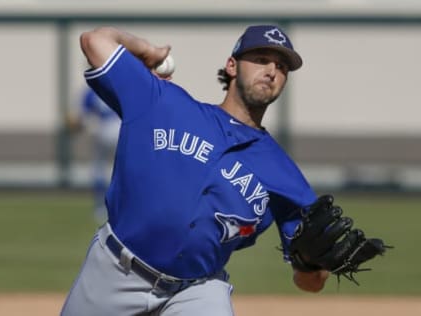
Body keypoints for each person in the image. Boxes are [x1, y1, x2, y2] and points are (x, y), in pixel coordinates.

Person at [61, 25, 329, 316]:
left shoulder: (286, 176)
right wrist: (148, 50)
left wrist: (311, 266)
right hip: (114, 271)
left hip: (198, 289)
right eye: (261, 59)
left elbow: (310, 283)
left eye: (281, 66)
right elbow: (94, 40)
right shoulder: (162, 102)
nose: (271, 70)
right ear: (232, 66)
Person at [67, 86, 121, 223]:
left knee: (98, 169)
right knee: (124, 170)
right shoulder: (118, 85)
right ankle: (125, 206)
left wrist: (74, 126)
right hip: (121, 128)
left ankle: (100, 208)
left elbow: (79, 119)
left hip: (104, 130)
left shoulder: (91, 90)